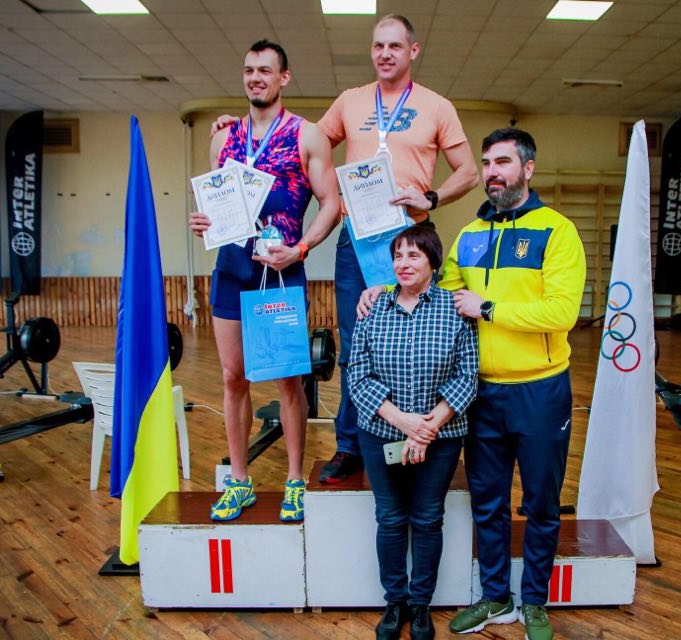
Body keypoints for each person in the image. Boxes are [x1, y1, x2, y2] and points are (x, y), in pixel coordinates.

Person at [215, 15, 480, 483]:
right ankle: (351, 444)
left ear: (413, 51)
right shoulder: (350, 101)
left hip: (409, 237)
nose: (385, 54)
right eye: (378, 45)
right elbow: (296, 144)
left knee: (416, 342)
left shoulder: (437, 106)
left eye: (394, 46)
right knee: (356, 345)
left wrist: (433, 196)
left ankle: (416, 437)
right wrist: (237, 128)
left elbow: (469, 172)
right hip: (357, 239)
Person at [359, 128, 586, 640]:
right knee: (488, 502)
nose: (491, 172)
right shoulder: (469, 235)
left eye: (502, 162)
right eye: (486, 163)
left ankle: (534, 602)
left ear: (528, 168)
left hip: (540, 389)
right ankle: (495, 596)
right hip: (483, 394)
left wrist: (489, 308)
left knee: (541, 503)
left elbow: (562, 313)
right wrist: (384, 289)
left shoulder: (558, 231)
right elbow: (436, 288)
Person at [189, 39, 341, 522]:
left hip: (280, 271)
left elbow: (332, 204)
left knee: (288, 380)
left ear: (283, 78)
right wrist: (204, 222)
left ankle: (294, 481)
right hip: (232, 270)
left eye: (265, 70)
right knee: (232, 377)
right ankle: (240, 481)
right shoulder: (222, 138)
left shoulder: (307, 135)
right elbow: (218, 206)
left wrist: (301, 248)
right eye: (249, 70)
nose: (255, 78)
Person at [348, 224, 478, 640]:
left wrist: (427, 427)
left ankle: (420, 604)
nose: (403, 263)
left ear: (433, 262)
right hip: (380, 432)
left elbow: (467, 376)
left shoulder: (455, 310)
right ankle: (395, 602)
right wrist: (403, 422)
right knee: (389, 518)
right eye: (398, 256)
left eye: (414, 255)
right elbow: (357, 375)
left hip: (441, 436)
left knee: (427, 518)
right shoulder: (373, 308)